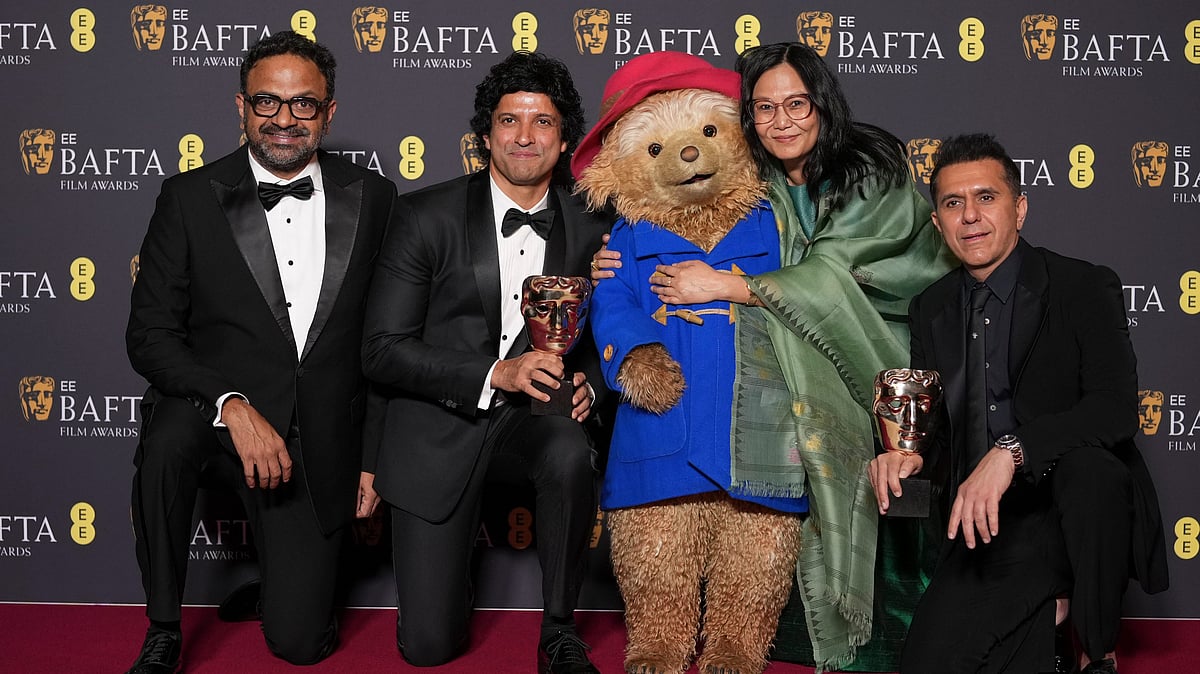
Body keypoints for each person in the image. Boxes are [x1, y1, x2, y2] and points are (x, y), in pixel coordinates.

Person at [592, 42, 954, 670]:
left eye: (797, 104)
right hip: (702, 411)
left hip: (816, 391)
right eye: (765, 108)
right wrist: (630, 334)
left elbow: (831, 276)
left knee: (764, 544)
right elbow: (615, 300)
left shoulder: (835, 188)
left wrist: (730, 286)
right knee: (661, 557)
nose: (783, 120)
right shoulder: (723, 208)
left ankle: (768, 641)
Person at [124, 31, 394, 672]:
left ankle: (282, 586)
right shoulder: (187, 197)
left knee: (299, 645)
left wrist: (373, 458)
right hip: (215, 410)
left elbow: (387, 343)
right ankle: (162, 625)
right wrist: (229, 402)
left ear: (330, 113)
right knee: (166, 440)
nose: (283, 118)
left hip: (317, 430)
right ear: (239, 107)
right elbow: (150, 334)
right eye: (266, 102)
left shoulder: (376, 198)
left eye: (304, 105)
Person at [868, 133, 1168, 673]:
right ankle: (1048, 611)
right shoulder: (930, 308)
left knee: (1091, 470)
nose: (971, 217)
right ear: (937, 224)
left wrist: (1013, 451)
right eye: (953, 204)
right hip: (989, 527)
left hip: (1072, 511)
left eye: (987, 198)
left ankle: (1095, 649)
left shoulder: (1082, 285)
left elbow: (1116, 409)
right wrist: (907, 457)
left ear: (1020, 208)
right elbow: (936, 435)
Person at [361, 51, 611, 674]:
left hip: (533, 421)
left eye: (543, 122)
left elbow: (624, 324)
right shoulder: (423, 216)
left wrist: (596, 387)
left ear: (564, 138)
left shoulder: (595, 222)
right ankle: (446, 587)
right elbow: (381, 349)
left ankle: (558, 629)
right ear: (484, 135)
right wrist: (495, 373)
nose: (525, 136)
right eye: (509, 120)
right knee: (427, 649)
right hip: (437, 425)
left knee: (566, 445)